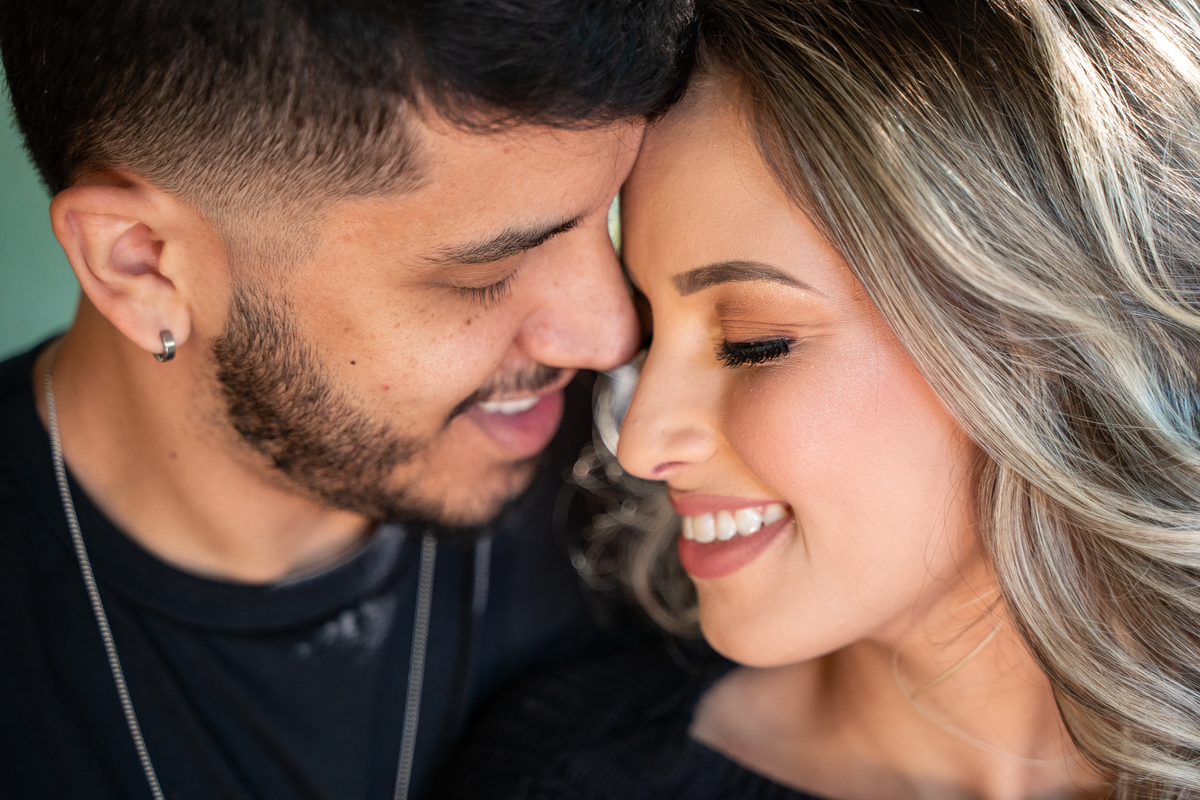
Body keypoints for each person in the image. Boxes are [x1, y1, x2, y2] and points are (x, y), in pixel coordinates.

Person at [442, 0, 1200, 798]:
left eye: (754, 343)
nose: (640, 444)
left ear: (1044, 345)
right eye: (650, 331)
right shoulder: (569, 777)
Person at [0, 2, 695, 798]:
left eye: (605, 217)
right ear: (143, 268)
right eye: (486, 273)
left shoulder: (679, 470)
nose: (609, 337)